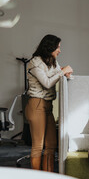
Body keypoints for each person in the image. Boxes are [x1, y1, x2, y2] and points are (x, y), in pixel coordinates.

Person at [26, 34, 73, 172]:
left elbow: (57, 73)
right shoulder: (35, 62)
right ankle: (36, 178)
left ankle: (49, 177)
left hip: (48, 106)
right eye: (58, 47)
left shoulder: (52, 61)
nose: (60, 50)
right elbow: (46, 83)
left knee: (51, 144)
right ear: (49, 47)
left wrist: (65, 73)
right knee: (38, 146)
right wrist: (62, 72)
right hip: (36, 105)